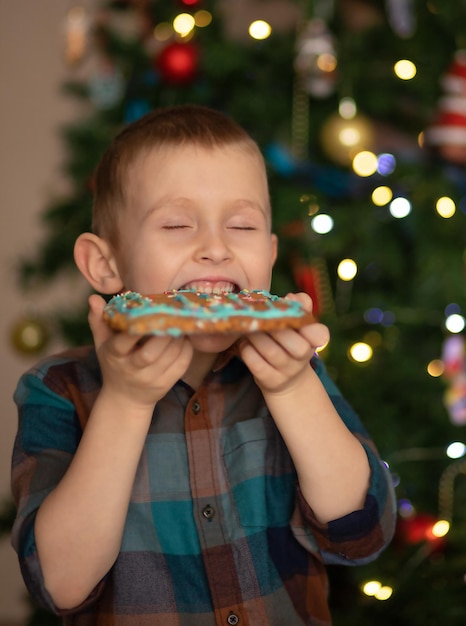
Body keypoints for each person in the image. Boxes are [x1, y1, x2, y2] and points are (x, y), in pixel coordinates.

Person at [11, 104, 396, 625]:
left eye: (242, 225)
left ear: (270, 253)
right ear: (106, 265)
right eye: (176, 223)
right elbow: (61, 585)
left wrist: (292, 389)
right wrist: (125, 401)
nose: (215, 247)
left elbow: (363, 535)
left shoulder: (294, 370)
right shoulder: (56, 388)